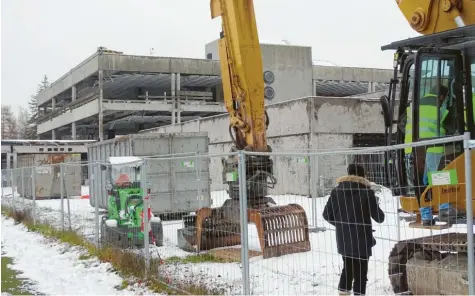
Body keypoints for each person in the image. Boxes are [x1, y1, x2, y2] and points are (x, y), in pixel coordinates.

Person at [322, 164, 385, 296]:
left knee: (348, 267)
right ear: (362, 176)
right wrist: (375, 203)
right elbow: (379, 218)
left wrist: (342, 225)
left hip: (344, 239)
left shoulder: (336, 191)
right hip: (362, 239)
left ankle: (343, 293)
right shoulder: (366, 192)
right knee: (361, 272)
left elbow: (326, 215)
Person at [404, 85, 450, 187]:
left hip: (412, 148)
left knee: (420, 184)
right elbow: (450, 126)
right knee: (440, 181)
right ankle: (443, 202)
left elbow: (402, 125)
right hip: (434, 148)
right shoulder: (441, 106)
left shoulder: (414, 104)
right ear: (442, 96)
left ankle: (427, 201)